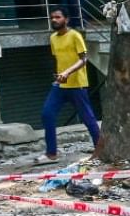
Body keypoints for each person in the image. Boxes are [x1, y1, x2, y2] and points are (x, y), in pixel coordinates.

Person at [36, 8, 101, 164]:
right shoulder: (53, 38)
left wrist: (67, 72)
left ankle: (100, 150)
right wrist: (59, 75)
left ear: (66, 19)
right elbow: (59, 59)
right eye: (52, 17)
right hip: (60, 85)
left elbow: (83, 59)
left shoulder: (75, 36)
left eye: (58, 17)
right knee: (47, 114)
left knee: (88, 118)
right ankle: (51, 153)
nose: (54, 20)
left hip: (77, 84)